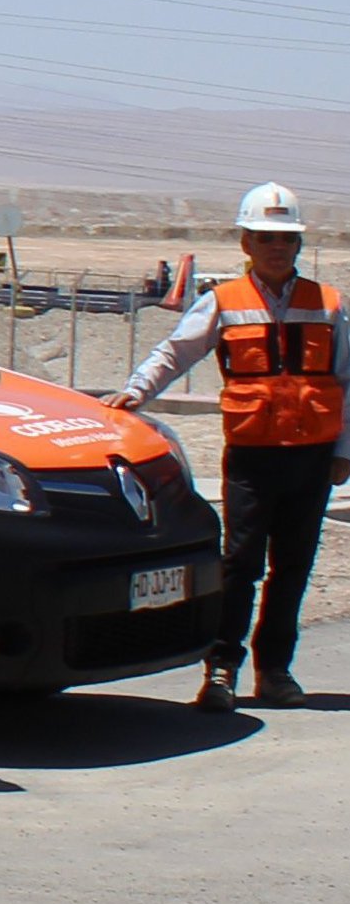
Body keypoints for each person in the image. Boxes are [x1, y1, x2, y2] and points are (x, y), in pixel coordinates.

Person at [104, 181, 340, 711]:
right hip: (253, 460)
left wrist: (345, 450)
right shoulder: (224, 302)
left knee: (294, 567)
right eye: (265, 237)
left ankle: (275, 672)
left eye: (286, 239)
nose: (277, 247)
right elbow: (176, 351)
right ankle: (221, 671)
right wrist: (136, 392)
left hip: (312, 457)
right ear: (245, 243)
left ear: (298, 245)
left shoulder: (328, 304)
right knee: (240, 563)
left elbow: (347, 379)